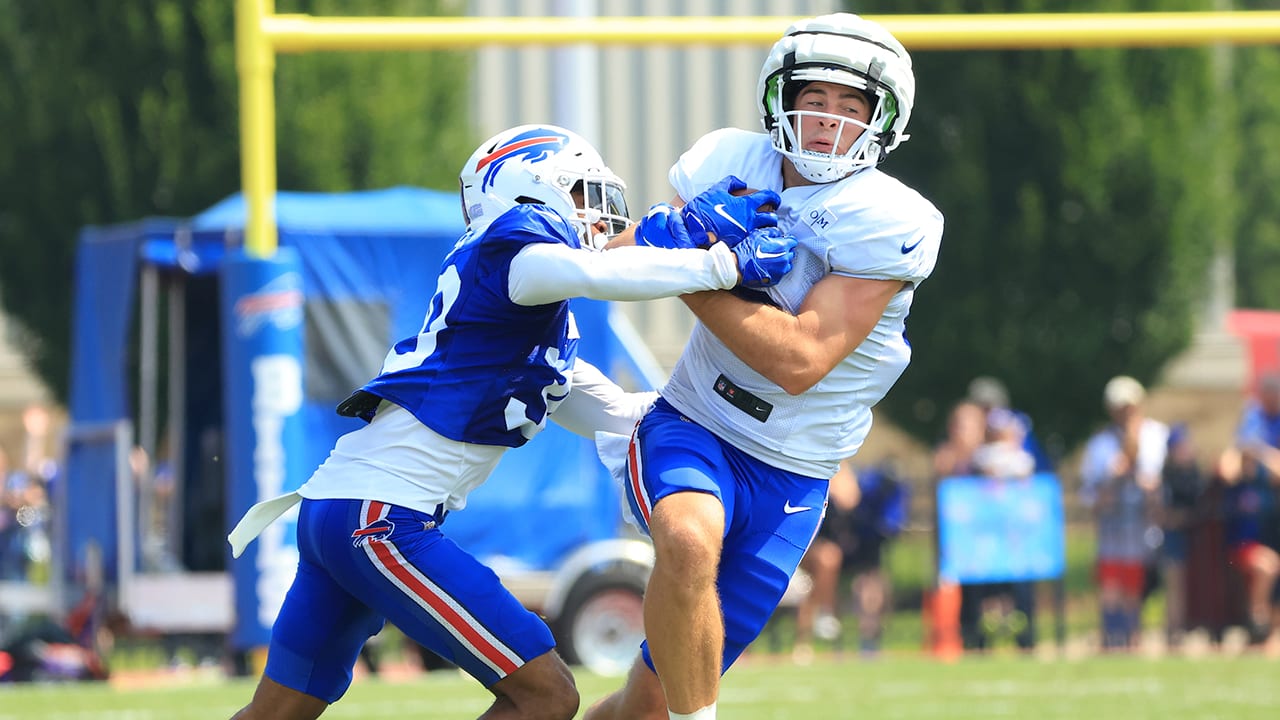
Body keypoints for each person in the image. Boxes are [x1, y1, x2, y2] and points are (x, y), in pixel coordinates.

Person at [225, 124, 796, 720]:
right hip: (379, 519)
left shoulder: (520, 314)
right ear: (529, 186)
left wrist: (738, 432)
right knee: (546, 695)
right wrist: (717, 265)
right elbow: (600, 276)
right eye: (580, 193)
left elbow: (612, 410)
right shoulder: (513, 245)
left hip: (341, 509)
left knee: (275, 714)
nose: (596, 217)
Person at [586, 14, 942, 720]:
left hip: (795, 467)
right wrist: (661, 242)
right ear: (781, 98)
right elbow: (612, 254)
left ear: (884, 121)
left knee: (646, 709)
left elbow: (799, 358)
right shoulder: (726, 160)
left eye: (852, 106)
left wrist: (692, 268)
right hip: (697, 420)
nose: (829, 121)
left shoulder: (891, 217)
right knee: (687, 540)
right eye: (816, 98)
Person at [1079, 375, 1168, 650]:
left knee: (1135, 581)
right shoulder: (1101, 444)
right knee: (1111, 582)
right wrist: (1108, 484)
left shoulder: (1157, 436)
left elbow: (1169, 479)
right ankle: (1111, 635)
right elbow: (1088, 491)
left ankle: (1133, 635)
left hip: (1144, 523)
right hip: (1113, 523)